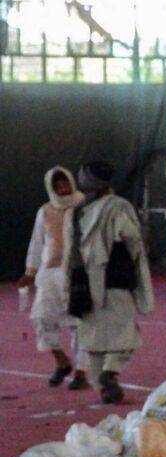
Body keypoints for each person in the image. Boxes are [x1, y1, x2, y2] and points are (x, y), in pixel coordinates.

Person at [69, 161, 153, 405]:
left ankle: (102, 385)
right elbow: (131, 236)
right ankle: (111, 371)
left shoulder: (80, 211)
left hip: (85, 280)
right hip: (116, 276)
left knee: (93, 335)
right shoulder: (119, 206)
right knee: (124, 331)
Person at [19, 167, 88, 389]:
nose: (62, 188)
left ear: (71, 182)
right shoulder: (45, 210)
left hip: (78, 271)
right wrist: (30, 271)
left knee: (80, 324)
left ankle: (81, 372)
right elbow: (37, 242)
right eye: (57, 185)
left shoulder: (84, 205)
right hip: (49, 273)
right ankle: (61, 361)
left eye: (64, 183)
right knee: (41, 317)